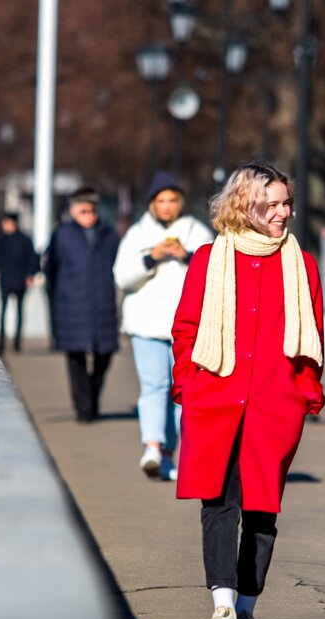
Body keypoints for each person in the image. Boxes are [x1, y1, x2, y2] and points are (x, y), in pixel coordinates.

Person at [172, 161, 325, 619]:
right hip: (215, 399)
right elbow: (187, 329)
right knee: (218, 500)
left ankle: (246, 608)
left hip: (274, 405)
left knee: (261, 510)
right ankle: (221, 603)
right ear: (247, 205)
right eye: (273, 204)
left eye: (287, 203)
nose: (284, 213)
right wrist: (188, 387)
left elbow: (313, 336)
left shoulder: (302, 265)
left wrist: (303, 396)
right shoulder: (208, 260)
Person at [114, 172, 214, 480]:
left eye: (172, 200)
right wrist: (151, 258)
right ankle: (153, 446)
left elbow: (213, 269)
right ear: (152, 203)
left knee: (183, 392)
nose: (167, 207)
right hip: (146, 324)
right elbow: (122, 277)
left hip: (186, 328)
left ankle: (172, 455)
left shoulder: (196, 230)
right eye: (161, 201)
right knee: (154, 386)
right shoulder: (137, 234)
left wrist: (185, 256)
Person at [44, 187, 120, 422]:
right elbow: (50, 270)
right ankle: (84, 409)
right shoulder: (62, 235)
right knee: (75, 358)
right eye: (83, 211)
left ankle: (92, 399)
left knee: (104, 356)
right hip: (71, 305)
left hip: (102, 305)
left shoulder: (109, 234)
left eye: (92, 211)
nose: (89, 216)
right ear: (73, 211)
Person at [0, 212, 39, 353]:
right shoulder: (1, 241)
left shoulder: (25, 240)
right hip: (6, 280)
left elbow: (32, 259)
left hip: (20, 280)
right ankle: (1, 341)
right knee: (3, 311)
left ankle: (17, 342)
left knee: (19, 311)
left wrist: (30, 275)